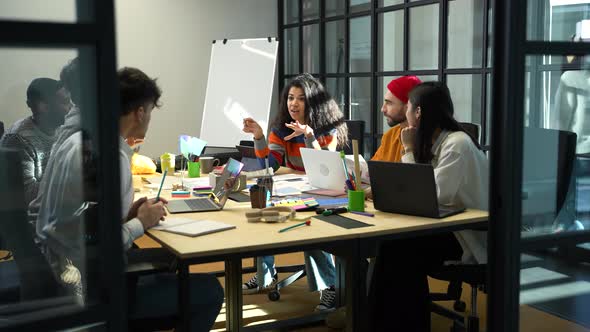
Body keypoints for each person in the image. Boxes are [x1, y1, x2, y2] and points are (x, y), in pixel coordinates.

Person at [35, 66, 223, 331]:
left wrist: (130, 215)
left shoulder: (75, 141)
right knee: (210, 290)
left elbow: (86, 222)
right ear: (140, 112)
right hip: (90, 290)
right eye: (150, 112)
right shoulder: (108, 158)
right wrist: (140, 224)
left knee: (167, 264)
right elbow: (97, 245)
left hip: (57, 274)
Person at [368, 82, 489, 331]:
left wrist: (409, 149)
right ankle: (379, 322)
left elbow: (430, 195)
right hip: (447, 225)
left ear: (419, 112)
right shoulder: (437, 142)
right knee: (390, 246)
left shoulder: (457, 144)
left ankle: (405, 324)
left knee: (399, 250)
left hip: (468, 234)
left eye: (409, 107)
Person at [242, 73, 347, 311]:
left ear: (313, 102)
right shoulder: (280, 130)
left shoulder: (327, 128)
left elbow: (321, 167)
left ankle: (331, 286)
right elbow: (270, 166)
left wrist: (308, 136)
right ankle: (265, 275)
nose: (294, 103)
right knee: (262, 211)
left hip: (326, 191)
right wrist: (259, 137)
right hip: (296, 190)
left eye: (301, 98)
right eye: (290, 98)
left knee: (309, 227)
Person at [0, 78, 71, 206]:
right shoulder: (18, 139)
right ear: (43, 106)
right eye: (65, 102)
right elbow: (27, 195)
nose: (70, 107)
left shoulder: (62, 130)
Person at [371, 75, 422, 162]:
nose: (382, 109)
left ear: (408, 106)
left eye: (389, 103)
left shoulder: (429, 138)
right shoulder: (390, 136)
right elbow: (372, 170)